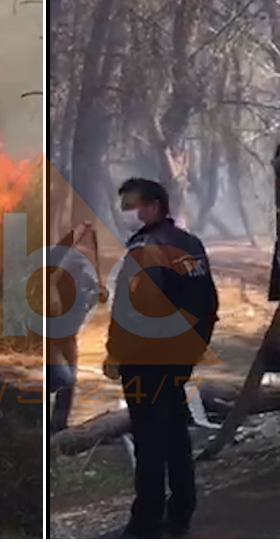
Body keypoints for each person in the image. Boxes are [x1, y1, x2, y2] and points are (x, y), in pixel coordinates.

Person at [104, 178, 219, 539]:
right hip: (179, 355)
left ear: (155, 206)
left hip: (147, 357)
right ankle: (182, 509)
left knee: (150, 438)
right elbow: (208, 303)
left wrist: (115, 352)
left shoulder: (147, 248)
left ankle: (146, 520)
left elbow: (134, 310)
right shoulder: (190, 243)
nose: (126, 213)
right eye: (123, 205)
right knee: (173, 432)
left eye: (132, 205)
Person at [47, 222, 102, 434]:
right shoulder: (51, 277)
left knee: (68, 381)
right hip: (49, 336)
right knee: (59, 379)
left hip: (68, 334)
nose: (80, 270)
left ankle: (59, 427)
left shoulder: (85, 281)